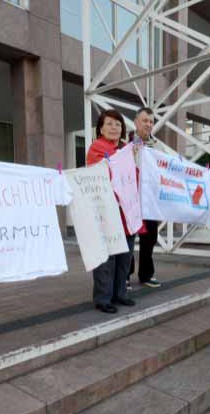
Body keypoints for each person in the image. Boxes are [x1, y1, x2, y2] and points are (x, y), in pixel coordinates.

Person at [86, 109, 138, 314]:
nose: (114, 127)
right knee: (107, 259)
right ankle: (103, 298)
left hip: (127, 212)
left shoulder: (126, 149)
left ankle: (120, 294)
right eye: (109, 124)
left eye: (118, 124)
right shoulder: (97, 148)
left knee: (124, 257)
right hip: (107, 212)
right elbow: (99, 174)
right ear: (100, 128)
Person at [128, 107, 162, 289]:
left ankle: (146, 274)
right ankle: (125, 275)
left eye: (151, 121)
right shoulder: (126, 142)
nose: (148, 124)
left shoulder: (157, 146)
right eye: (145, 121)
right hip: (130, 199)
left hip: (150, 200)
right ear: (136, 122)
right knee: (128, 238)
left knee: (149, 238)